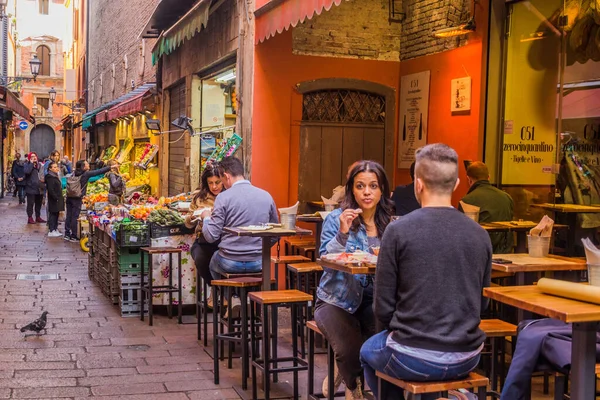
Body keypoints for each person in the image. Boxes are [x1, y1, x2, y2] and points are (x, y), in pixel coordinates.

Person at [359, 144, 492, 400]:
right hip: (468, 356)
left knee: (367, 352)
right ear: (455, 186)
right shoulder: (480, 235)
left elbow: (383, 307)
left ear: (418, 184)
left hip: (411, 356)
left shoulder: (398, 231)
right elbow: (482, 302)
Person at [315, 160, 394, 400]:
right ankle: (354, 388)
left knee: (387, 345)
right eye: (360, 186)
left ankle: (346, 370)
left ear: (383, 191)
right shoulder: (337, 218)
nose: (367, 192)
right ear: (352, 190)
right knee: (349, 349)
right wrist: (342, 233)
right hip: (336, 299)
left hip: (375, 301)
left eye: (373, 186)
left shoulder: (390, 224)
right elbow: (325, 258)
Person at [201, 156, 278, 297]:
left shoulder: (223, 198)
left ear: (226, 176)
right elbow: (276, 232)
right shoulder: (266, 196)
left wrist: (206, 218)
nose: (222, 184)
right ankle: (247, 300)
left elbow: (211, 237)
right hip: (258, 262)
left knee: (212, 263)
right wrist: (260, 248)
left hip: (229, 261)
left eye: (222, 180)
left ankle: (230, 297)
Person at [185, 165, 225, 306]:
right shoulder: (199, 198)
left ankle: (223, 293)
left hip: (223, 240)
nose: (214, 186)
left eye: (217, 182)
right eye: (210, 183)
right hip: (203, 239)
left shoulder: (228, 197)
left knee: (223, 262)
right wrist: (192, 218)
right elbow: (188, 223)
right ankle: (217, 289)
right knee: (201, 260)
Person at [459, 161, 514, 253]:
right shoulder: (507, 197)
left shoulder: (467, 201)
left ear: (469, 179)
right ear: (489, 177)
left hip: (481, 252)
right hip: (506, 252)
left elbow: (463, 234)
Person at [65, 160, 111, 242]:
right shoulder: (85, 174)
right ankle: (74, 236)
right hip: (77, 197)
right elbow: (98, 172)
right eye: (87, 164)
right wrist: (110, 167)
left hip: (70, 196)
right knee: (75, 216)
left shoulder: (74, 172)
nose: (88, 165)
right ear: (83, 166)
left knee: (69, 215)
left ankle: (67, 234)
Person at [23, 152, 45, 224]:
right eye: (32, 157)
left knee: (38, 204)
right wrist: (31, 163)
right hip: (30, 188)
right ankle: (30, 218)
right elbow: (27, 172)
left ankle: (38, 217)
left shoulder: (40, 165)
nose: (34, 157)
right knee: (30, 204)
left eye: (35, 156)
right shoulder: (26, 165)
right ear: (29, 158)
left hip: (39, 188)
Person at [45, 162, 64, 237]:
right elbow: (50, 189)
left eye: (57, 167)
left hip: (57, 198)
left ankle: (55, 229)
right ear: (50, 169)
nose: (57, 168)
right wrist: (55, 197)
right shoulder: (50, 177)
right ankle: (51, 230)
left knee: (56, 214)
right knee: (53, 214)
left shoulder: (55, 176)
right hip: (54, 199)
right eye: (54, 167)